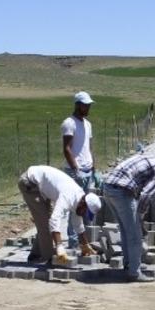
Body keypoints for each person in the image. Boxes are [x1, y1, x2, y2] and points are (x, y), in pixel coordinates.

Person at [102, 147, 155, 283]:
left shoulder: (152, 157)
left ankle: (130, 265)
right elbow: (147, 194)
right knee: (135, 235)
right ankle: (134, 273)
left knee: (126, 231)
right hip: (122, 191)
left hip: (108, 188)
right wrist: (140, 216)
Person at [17, 165, 102, 266]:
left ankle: (35, 255)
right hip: (30, 182)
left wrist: (85, 244)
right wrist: (59, 246)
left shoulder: (79, 199)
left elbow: (78, 224)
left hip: (41, 187)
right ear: (83, 203)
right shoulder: (68, 196)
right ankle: (49, 259)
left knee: (45, 222)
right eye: (85, 212)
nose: (84, 215)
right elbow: (54, 220)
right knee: (46, 224)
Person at [61, 92, 96, 249]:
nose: (87, 107)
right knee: (75, 207)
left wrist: (94, 166)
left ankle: (85, 238)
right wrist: (76, 169)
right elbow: (67, 149)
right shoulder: (69, 123)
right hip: (75, 172)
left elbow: (89, 146)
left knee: (86, 205)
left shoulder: (87, 124)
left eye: (88, 105)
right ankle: (74, 240)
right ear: (77, 105)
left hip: (87, 170)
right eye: (84, 105)